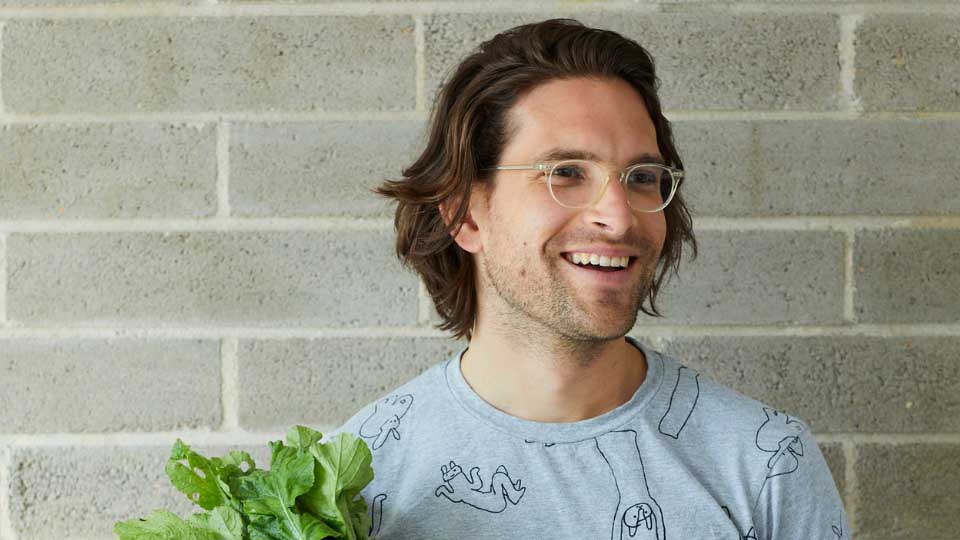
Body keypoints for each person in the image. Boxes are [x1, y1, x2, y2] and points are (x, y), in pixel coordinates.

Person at [326, 18, 850, 540]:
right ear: (466, 215)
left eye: (642, 178)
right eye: (566, 173)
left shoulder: (765, 465)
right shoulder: (349, 486)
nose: (619, 218)